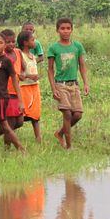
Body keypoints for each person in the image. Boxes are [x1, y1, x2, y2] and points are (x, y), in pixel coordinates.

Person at [47, 17, 89, 149]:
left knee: (77, 114)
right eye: (62, 28)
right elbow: (50, 69)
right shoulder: (54, 47)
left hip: (74, 85)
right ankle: (68, 146)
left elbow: (82, 65)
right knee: (67, 113)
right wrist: (53, 88)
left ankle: (60, 133)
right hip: (61, 84)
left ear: (72, 30)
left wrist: (86, 83)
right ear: (57, 30)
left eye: (68, 28)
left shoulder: (77, 46)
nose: (65, 31)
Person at [17, 29, 43, 143]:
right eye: (32, 40)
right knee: (21, 116)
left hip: (34, 87)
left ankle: (39, 139)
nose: (35, 42)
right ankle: (7, 132)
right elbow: (19, 74)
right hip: (24, 88)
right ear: (25, 42)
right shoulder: (20, 56)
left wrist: (35, 78)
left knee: (36, 115)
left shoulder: (32, 55)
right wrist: (30, 76)